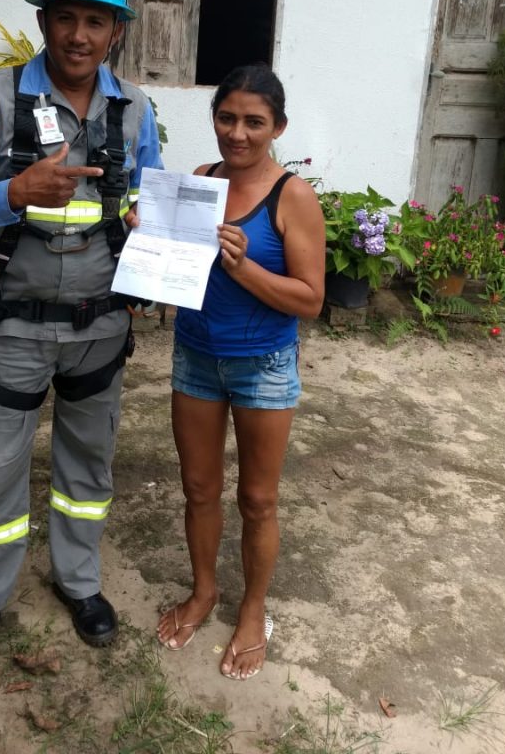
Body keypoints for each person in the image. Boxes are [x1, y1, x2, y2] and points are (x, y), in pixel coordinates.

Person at [0, 0, 163, 680]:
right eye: (65, 17)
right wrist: (11, 194)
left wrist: (167, 238)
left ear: (117, 30)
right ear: (45, 20)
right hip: (14, 325)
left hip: (100, 328)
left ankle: (79, 583)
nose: (79, 36)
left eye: (96, 21)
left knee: (87, 469)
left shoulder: (135, 112)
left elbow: (148, 208)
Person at [156, 63, 325, 681]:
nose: (239, 132)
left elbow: (310, 300)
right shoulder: (201, 181)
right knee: (198, 489)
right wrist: (150, 239)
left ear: (277, 126)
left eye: (255, 121)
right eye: (227, 118)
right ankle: (205, 593)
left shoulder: (293, 197)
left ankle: (253, 609)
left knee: (257, 498)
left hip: (264, 367)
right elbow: (175, 267)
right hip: (196, 355)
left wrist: (244, 268)